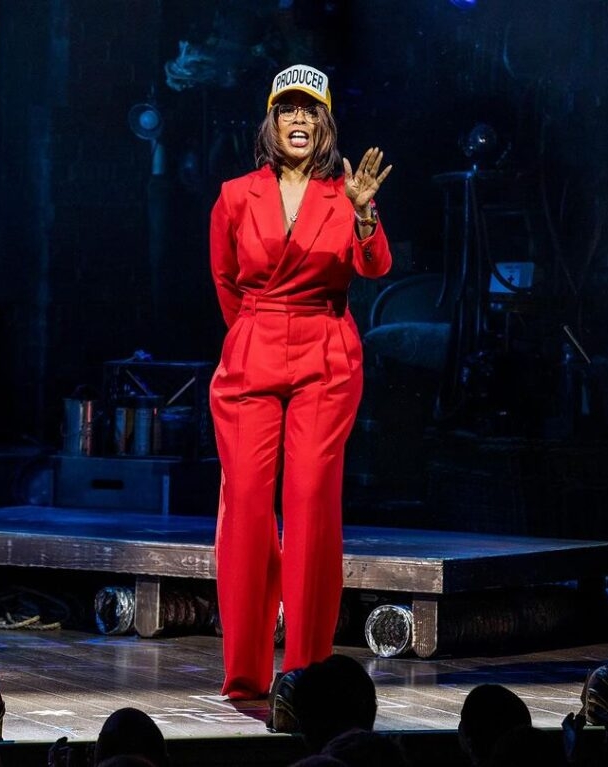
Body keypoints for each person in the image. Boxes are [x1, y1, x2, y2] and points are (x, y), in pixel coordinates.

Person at [209, 62, 393, 701]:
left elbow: (374, 266)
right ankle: (245, 674)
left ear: (326, 124)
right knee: (249, 511)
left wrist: (365, 216)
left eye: (310, 111)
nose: (299, 120)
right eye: (288, 109)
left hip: (324, 355)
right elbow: (226, 281)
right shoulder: (237, 194)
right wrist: (254, 334)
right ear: (270, 120)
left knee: (312, 503)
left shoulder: (345, 193)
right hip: (253, 352)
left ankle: (308, 674)